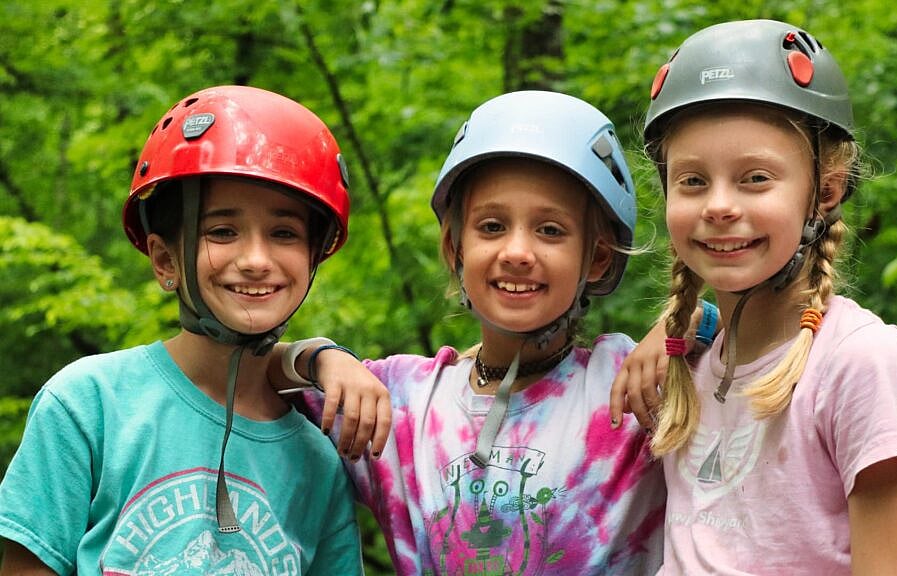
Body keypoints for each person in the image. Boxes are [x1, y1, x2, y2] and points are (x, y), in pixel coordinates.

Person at [275, 90, 683, 575]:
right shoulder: (404, 402)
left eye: (550, 231)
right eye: (491, 226)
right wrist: (320, 356)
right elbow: (244, 368)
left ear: (596, 257)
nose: (517, 251)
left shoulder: (627, 386)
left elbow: (760, 351)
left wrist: (684, 326)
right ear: (455, 247)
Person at [0, 85, 363, 575]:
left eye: (284, 233)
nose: (256, 260)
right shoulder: (89, 405)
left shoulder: (317, 462)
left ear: (313, 257)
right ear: (165, 259)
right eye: (222, 232)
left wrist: (324, 355)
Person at [642, 19, 897, 574]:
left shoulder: (861, 364)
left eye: (755, 178)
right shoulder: (693, 366)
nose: (719, 206)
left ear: (824, 192)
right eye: (692, 180)